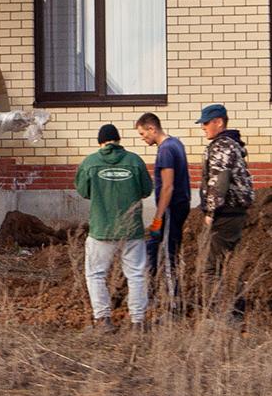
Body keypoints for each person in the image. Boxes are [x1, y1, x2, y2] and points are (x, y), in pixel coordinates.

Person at [74, 122, 154, 332]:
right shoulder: (134, 161)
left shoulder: (90, 162)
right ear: (119, 141)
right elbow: (146, 190)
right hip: (132, 231)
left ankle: (103, 321)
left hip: (102, 230)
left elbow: (83, 191)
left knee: (96, 275)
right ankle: (138, 322)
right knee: (136, 275)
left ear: (100, 142)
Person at [196, 103, 254, 316]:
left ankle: (220, 315)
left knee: (211, 269)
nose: (203, 127)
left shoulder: (221, 146)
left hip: (225, 213)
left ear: (219, 122)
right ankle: (236, 312)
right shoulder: (232, 144)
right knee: (230, 263)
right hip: (235, 212)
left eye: (206, 123)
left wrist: (211, 213)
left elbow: (219, 182)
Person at [134, 112, 190, 308]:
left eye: (143, 134)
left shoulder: (165, 150)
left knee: (167, 256)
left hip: (171, 208)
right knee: (158, 248)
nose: (143, 138)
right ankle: (153, 295)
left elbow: (168, 186)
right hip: (180, 205)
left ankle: (174, 307)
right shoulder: (177, 143)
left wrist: (158, 218)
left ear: (152, 128)